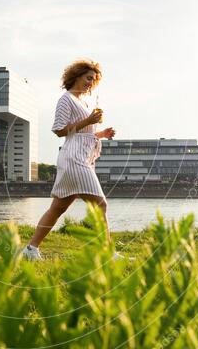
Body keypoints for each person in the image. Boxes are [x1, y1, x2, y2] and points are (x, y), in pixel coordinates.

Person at [23, 59, 125, 261]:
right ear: (76, 75)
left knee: (58, 208)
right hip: (74, 159)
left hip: (83, 158)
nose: (90, 83)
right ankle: (107, 254)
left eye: (93, 80)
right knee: (100, 204)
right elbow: (59, 131)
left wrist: (101, 133)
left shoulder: (84, 102)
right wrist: (88, 121)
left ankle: (30, 250)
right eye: (88, 78)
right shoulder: (66, 99)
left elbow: (82, 134)